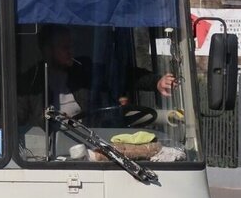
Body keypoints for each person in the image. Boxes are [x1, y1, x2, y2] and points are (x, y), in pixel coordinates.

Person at [18, 24, 175, 126]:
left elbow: (121, 75)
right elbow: (20, 120)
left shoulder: (85, 70)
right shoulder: (29, 84)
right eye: (65, 47)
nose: (71, 51)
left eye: (71, 45)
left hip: (94, 144)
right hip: (50, 155)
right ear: (47, 49)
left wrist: (156, 82)